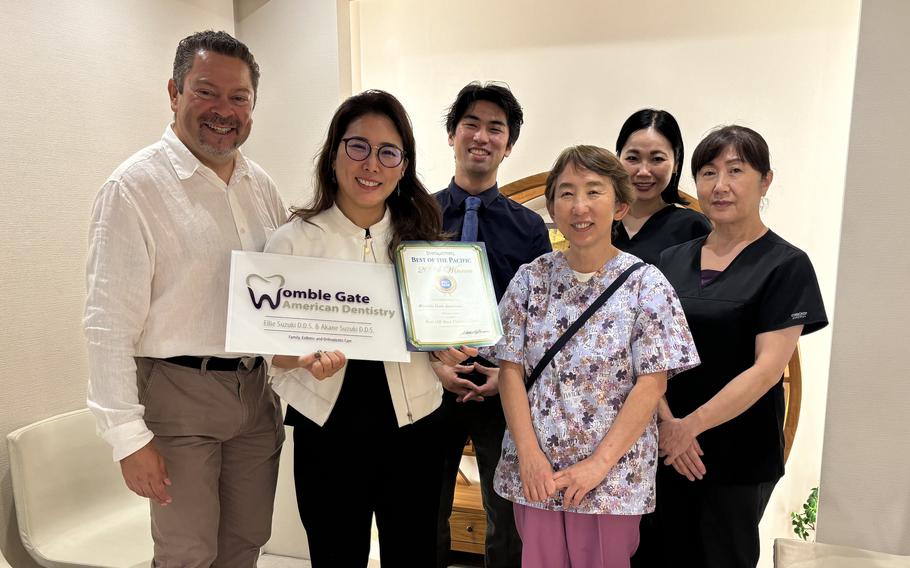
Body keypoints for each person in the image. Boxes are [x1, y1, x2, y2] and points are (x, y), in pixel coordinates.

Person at [84, 31, 285, 566]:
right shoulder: (133, 188)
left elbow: (283, 295)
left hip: (255, 394)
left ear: (252, 106)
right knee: (187, 554)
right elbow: (107, 325)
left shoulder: (260, 186)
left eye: (238, 97)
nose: (224, 110)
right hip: (177, 396)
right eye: (206, 92)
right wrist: (128, 439)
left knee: (245, 543)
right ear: (174, 92)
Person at [264, 90, 448, 568]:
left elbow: (438, 337)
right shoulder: (292, 241)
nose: (372, 164)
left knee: (414, 557)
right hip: (327, 431)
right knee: (335, 557)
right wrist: (299, 358)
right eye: (358, 146)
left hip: (415, 428)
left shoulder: (423, 242)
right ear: (334, 154)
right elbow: (267, 348)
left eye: (389, 152)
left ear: (403, 165)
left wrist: (450, 347)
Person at [493, 145, 699, 568]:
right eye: (566, 193)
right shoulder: (530, 280)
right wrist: (529, 456)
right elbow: (510, 369)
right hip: (538, 474)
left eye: (593, 191)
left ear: (620, 204)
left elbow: (652, 383)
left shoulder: (648, 285)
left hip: (612, 479)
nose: (579, 206)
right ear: (551, 205)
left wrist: (597, 466)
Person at [652, 125, 828, 567]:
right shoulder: (671, 260)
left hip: (737, 455)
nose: (720, 185)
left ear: (765, 180)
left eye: (736, 170)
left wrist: (688, 427)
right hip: (660, 445)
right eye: (708, 173)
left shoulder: (786, 265)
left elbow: (767, 370)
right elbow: (646, 354)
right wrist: (668, 425)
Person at [433, 81, 551, 568]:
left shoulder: (529, 228)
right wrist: (435, 362)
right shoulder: (418, 213)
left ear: (509, 143)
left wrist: (503, 377)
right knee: (424, 509)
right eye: (471, 125)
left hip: (504, 388)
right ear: (452, 134)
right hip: (429, 382)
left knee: (507, 516)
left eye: (495, 128)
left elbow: (542, 318)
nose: (481, 137)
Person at [614, 109, 712, 264]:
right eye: (633, 158)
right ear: (618, 159)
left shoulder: (693, 228)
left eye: (657, 159)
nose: (644, 171)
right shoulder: (599, 219)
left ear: (676, 165)